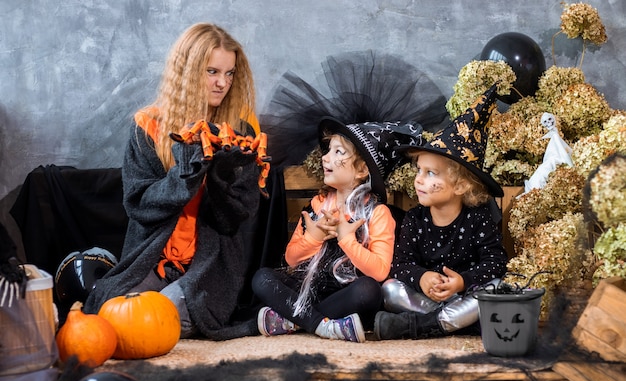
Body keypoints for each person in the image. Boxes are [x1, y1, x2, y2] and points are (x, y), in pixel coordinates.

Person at [83, 23, 266, 340]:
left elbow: (238, 217)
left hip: (210, 264)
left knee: (163, 315)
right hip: (154, 258)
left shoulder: (241, 131)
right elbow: (140, 205)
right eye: (212, 71)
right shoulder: (149, 126)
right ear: (188, 70)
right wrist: (186, 170)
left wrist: (222, 175)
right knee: (111, 314)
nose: (222, 83)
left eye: (230, 73)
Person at [251, 117, 421, 342]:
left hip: (346, 296)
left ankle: (294, 321)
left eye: (338, 152)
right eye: (328, 150)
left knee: (369, 291)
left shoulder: (377, 213)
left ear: (361, 169)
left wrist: (347, 239)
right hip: (310, 288)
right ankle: (322, 325)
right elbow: (291, 259)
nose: (325, 157)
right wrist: (313, 237)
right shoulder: (317, 204)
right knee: (262, 278)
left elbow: (380, 271)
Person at [374, 85, 509, 340]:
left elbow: (496, 263)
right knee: (390, 290)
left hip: (467, 293)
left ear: (460, 185)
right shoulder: (415, 219)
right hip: (429, 298)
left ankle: (420, 326)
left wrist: (462, 281)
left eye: (430, 173)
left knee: (497, 289)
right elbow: (401, 264)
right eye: (419, 171)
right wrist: (423, 277)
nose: (418, 180)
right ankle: (458, 322)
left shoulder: (478, 219)